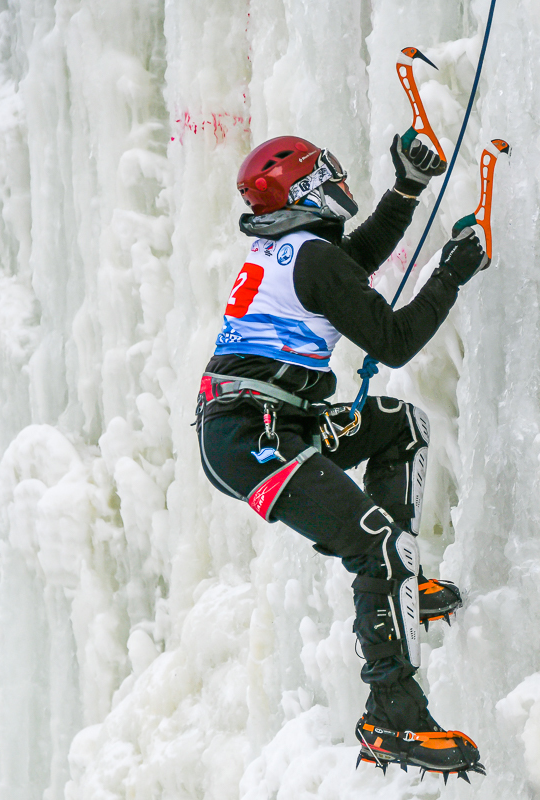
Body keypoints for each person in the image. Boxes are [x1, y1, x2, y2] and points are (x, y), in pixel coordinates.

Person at [194, 133, 489, 777]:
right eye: (327, 171)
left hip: (267, 422)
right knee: (373, 544)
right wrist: (451, 273)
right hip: (254, 436)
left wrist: (407, 191)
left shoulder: (298, 254)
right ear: (306, 188)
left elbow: (352, 266)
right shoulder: (311, 259)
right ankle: (392, 713)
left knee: (398, 426)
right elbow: (393, 337)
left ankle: (402, 585)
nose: (339, 178)